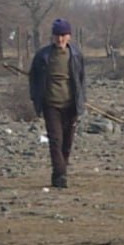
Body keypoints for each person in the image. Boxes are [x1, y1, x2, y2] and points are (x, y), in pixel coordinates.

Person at [28, 18, 86, 188]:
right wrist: (36, 98)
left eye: (63, 35)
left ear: (69, 36)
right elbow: (33, 79)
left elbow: (81, 80)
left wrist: (81, 100)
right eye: (57, 35)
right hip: (51, 104)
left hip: (71, 105)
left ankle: (59, 173)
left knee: (67, 143)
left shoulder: (76, 55)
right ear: (52, 37)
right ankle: (61, 174)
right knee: (55, 140)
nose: (60, 39)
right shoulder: (43, 56)